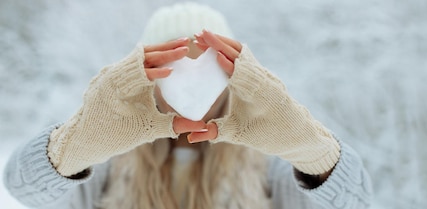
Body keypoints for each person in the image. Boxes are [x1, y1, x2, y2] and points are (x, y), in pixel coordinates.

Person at [3, 2, 372, 209]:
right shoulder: (108, 158)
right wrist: (74, 145)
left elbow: (356, 203)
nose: (192, 82)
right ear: (146, 75)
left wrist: (310, 148)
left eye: (209, 67)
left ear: (233, 75)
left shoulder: (267, 163)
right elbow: (21, 188)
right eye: (174, 67)